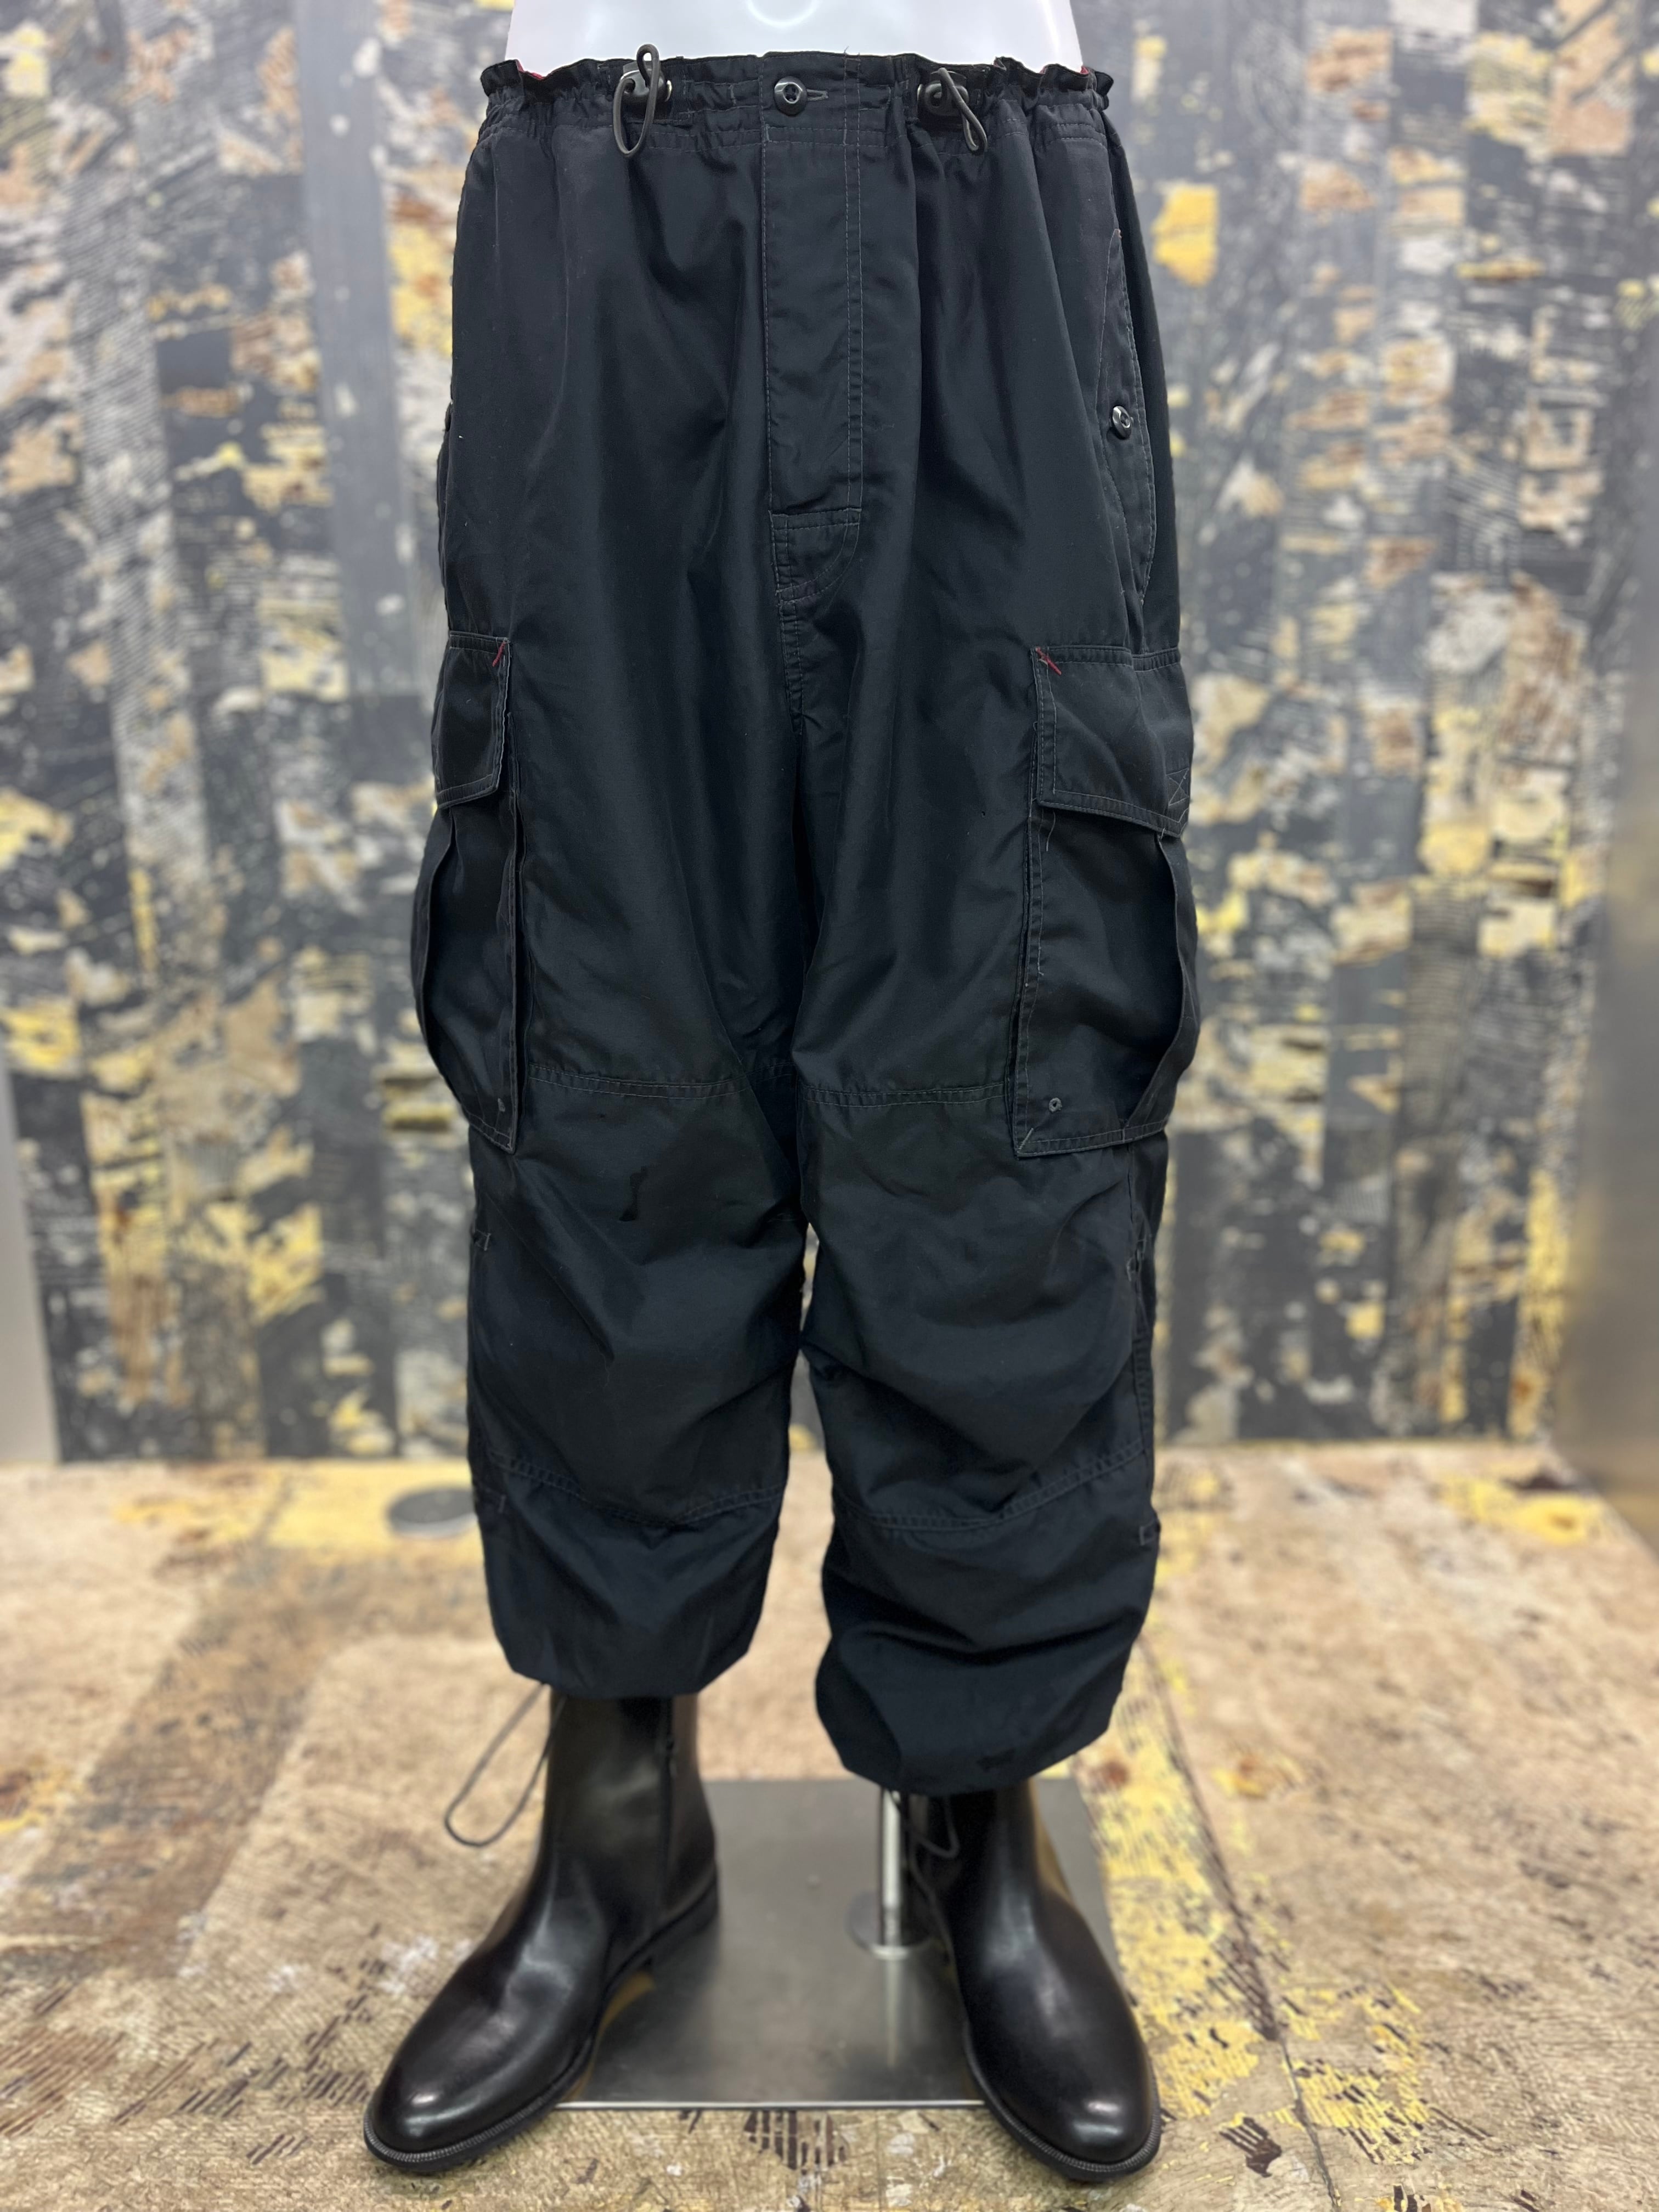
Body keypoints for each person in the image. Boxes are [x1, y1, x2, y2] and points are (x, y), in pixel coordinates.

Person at [363, 0, 1197, 2179]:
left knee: (1002, 1051)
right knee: (603, 1034)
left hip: (979, 195)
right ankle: (620, 1823)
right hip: (605, 190)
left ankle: (981, 1820)